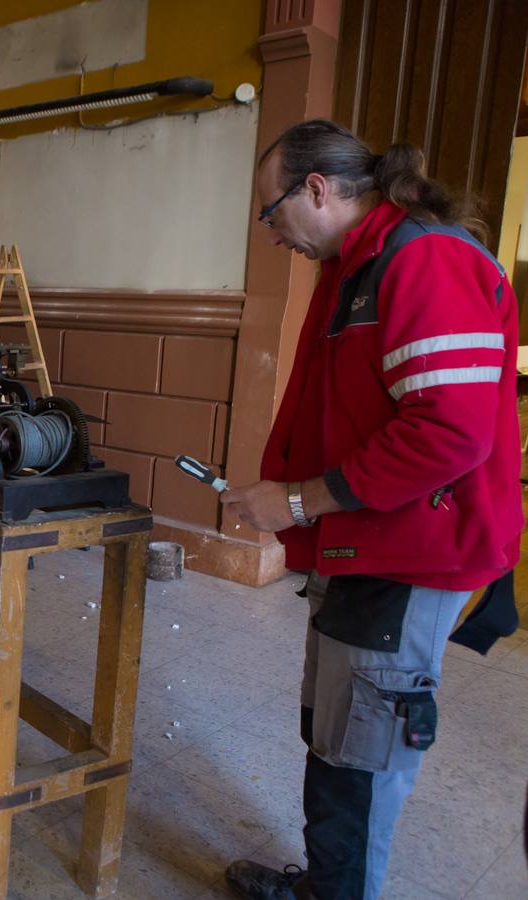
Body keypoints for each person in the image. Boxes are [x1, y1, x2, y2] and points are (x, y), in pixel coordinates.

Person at [221, 121, 521, 900]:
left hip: (413, 554)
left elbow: (448, 432)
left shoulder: (423, 258)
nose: (272, 232)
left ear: (316, 189)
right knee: (334, 731)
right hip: (364, 542)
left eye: (271, 211)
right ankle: (327, 884)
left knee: (364, 751)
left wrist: (294, 500)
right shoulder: (359, 266)